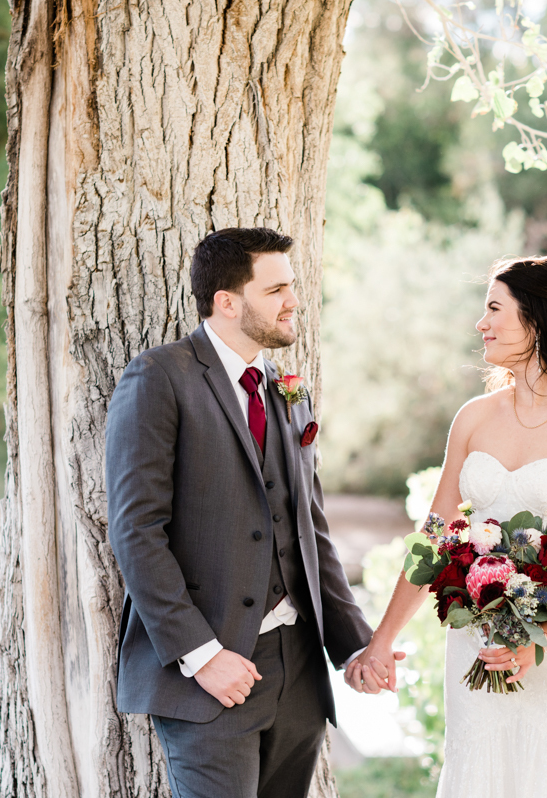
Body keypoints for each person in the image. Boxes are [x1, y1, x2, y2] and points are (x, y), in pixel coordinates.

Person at [104, 227, 398, 798]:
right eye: (277, 289)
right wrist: (202, 655)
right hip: (213, 676)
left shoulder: (287, 389)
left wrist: (353, 643)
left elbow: (310, 531)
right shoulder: (161, 377)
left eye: (293, 287)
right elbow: (136, 532)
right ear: (227, 302)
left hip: (299, 674)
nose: (293, 301)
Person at [348, 255, 547, 797]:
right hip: (479, 639)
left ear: (535, 319)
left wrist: (542, 638)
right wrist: (381, 639)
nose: (480, 324)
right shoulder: (474, 417)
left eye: (493, 309)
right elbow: (434, 537)